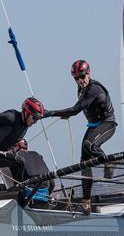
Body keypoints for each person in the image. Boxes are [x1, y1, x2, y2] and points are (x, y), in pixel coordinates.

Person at [43, 59, 116, 213]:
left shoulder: (93, 89)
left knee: (89, 145)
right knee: (84, 163)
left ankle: (109, 163)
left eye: (82, 76)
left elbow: (75, 110)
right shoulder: (81, 89)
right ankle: (86, 201)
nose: (80, 80)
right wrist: (67, 114)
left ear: (88, 73)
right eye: (76, 78)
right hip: (93, 126)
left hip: (107, 124)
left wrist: (49, 113)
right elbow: (78, 108)